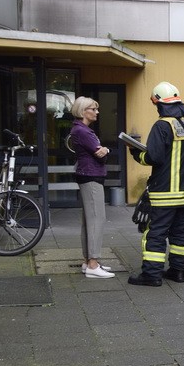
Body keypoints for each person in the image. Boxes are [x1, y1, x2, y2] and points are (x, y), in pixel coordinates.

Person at [127, 82, 184, 286]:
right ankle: (178, 271)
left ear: (159, 103)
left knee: (156, 233)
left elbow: (153, 157)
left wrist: (136, 152)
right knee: (181, 232)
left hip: (163, 193)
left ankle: (151, 275)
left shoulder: (162, 125)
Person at [69, 96, 115, 279]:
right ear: (83, 111)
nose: (96, 112)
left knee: (89, 221)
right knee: (96, 220)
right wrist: (105, 151)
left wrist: (104, 149)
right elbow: (100, 156)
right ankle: (93, 265)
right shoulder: (83, 131)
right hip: (91, 177)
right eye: (93, 109)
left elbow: (99, 152)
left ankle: (87, 261)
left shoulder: (80, 130)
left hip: (87, 176)